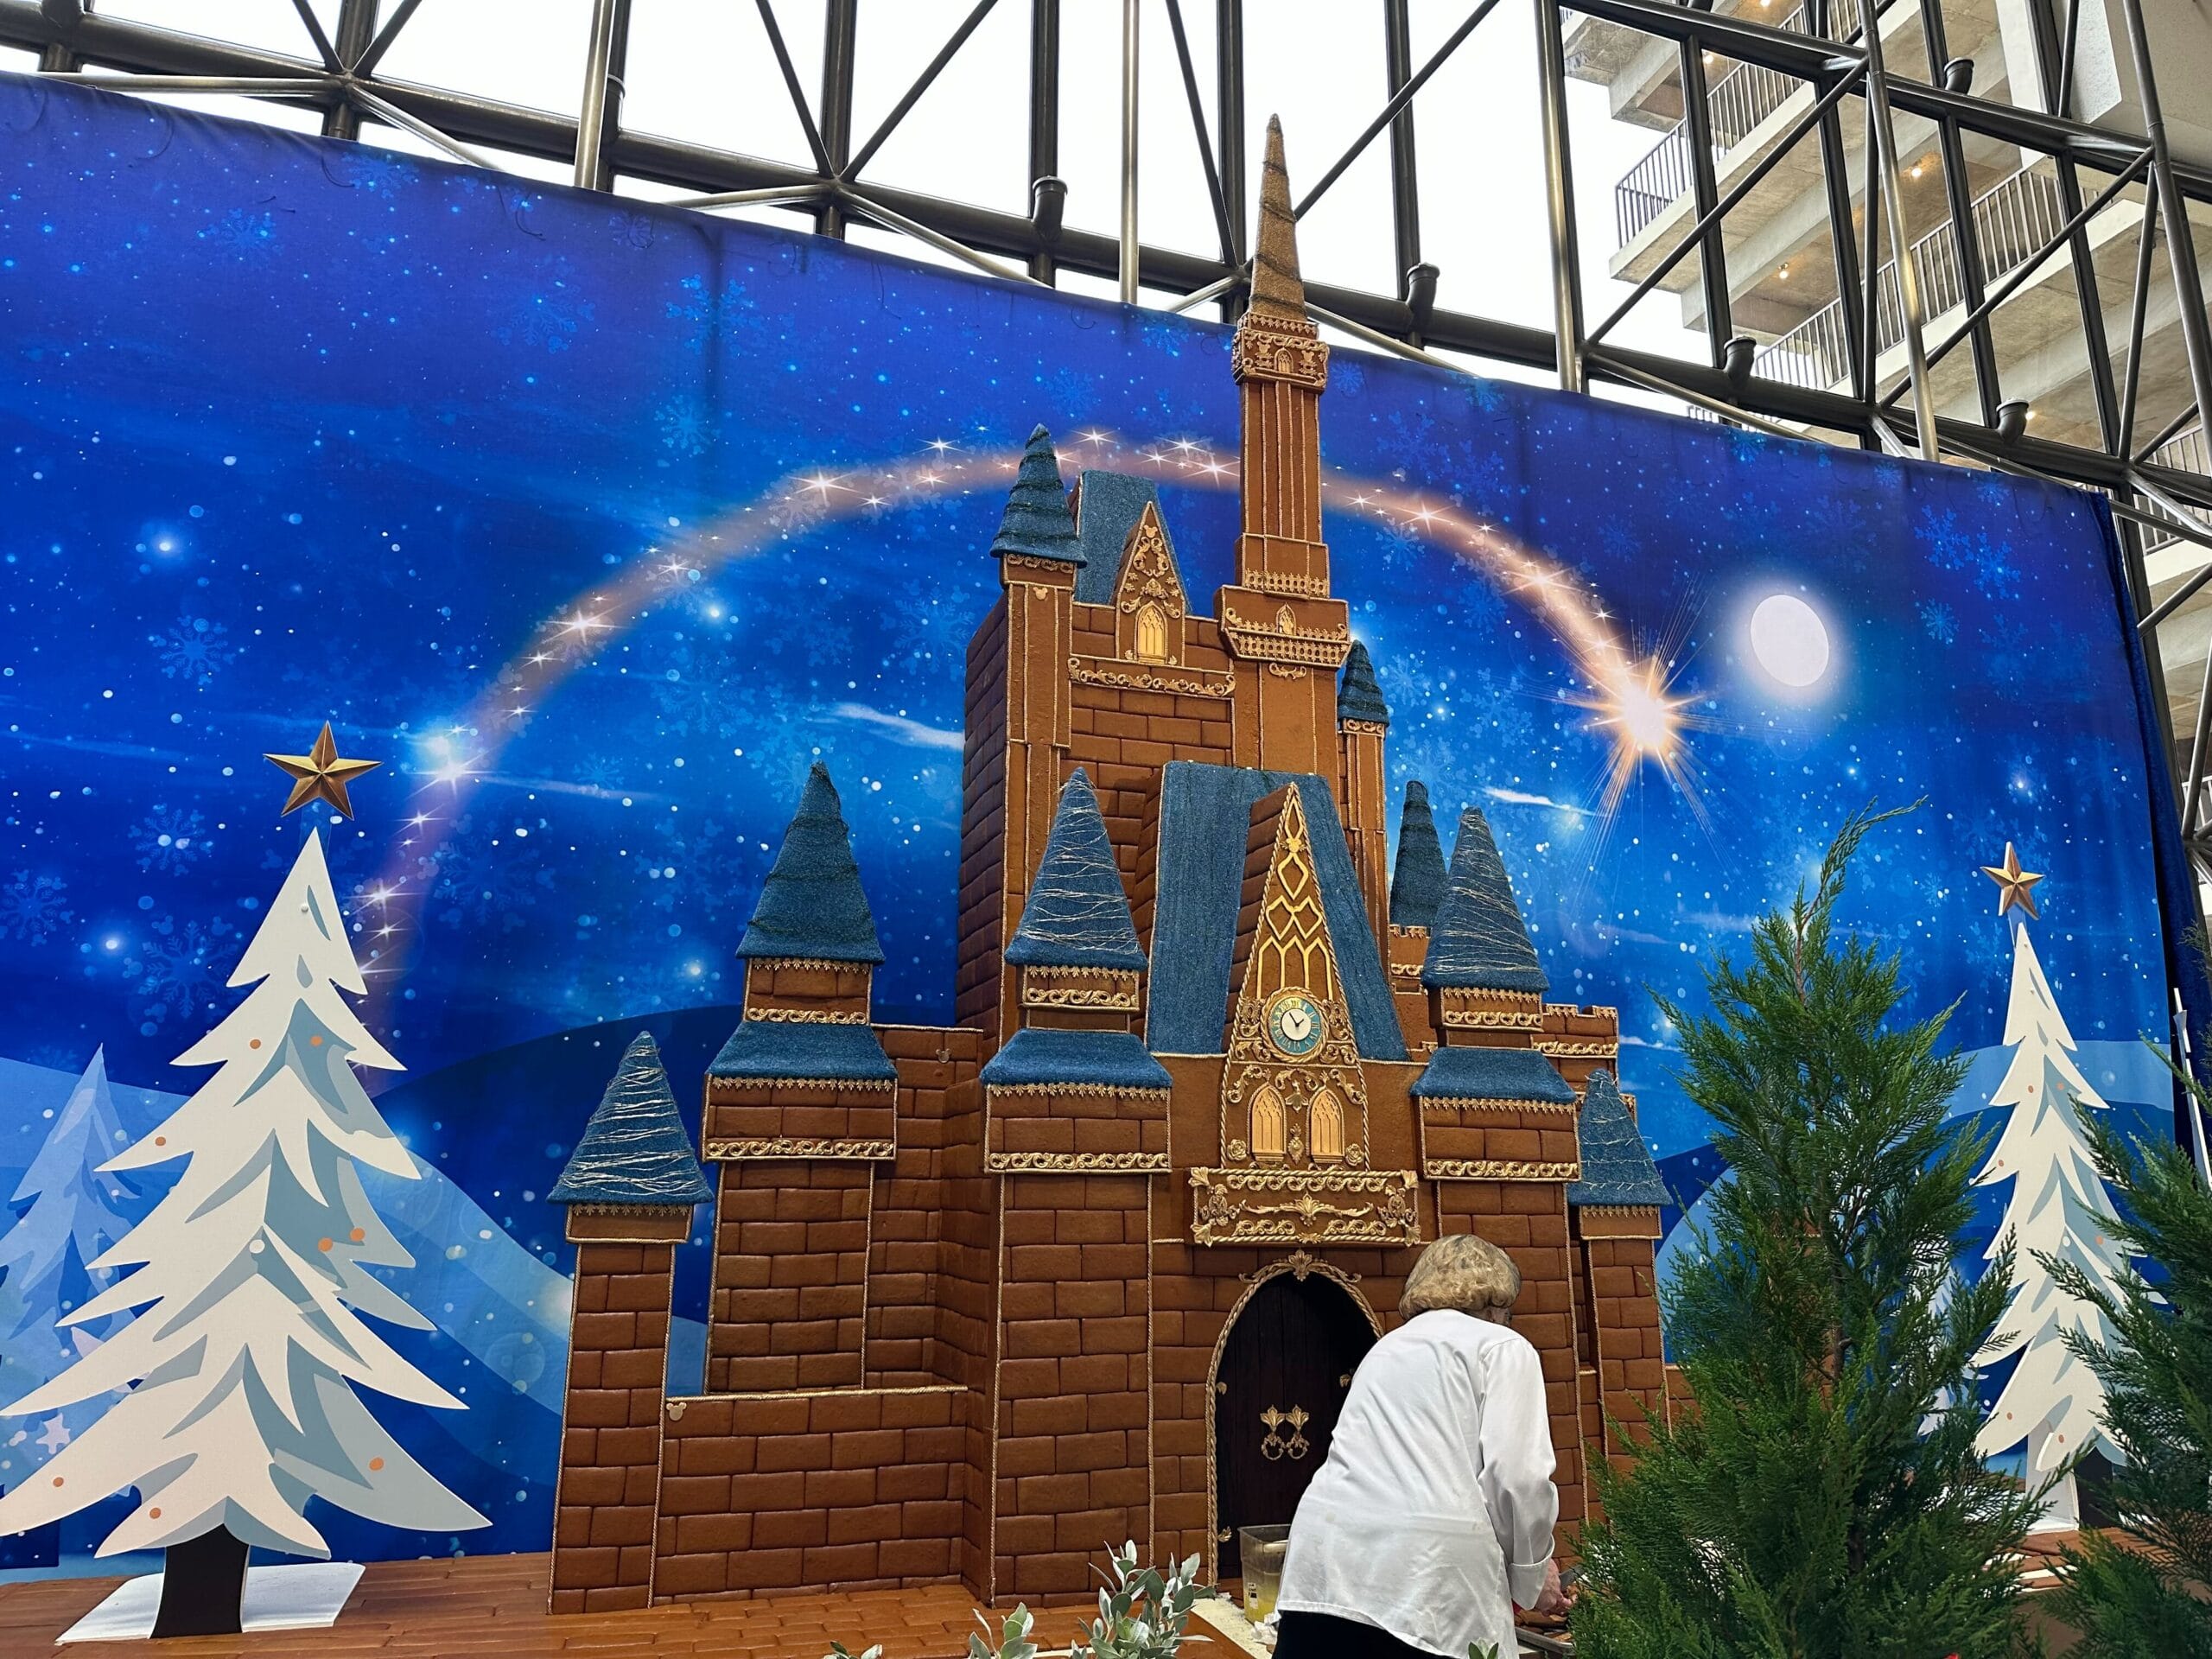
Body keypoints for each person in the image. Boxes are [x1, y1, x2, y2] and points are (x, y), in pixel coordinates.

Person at [1274, 1233, 1569, 1658]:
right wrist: (1532, 1572)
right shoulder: (1503, 1346)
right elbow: (1518, 1480)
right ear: (1499, 1303)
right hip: (1429, 1576)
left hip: (1326, 1558)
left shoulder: (1386, 1347)